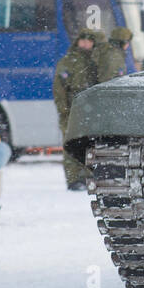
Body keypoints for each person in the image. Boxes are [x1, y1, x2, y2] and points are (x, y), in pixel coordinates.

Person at [52, 29, 98, 190]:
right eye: (83, 40)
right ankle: (73, 179)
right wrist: (64, 109)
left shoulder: (96, 60)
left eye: (89, 41)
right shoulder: (68, 61)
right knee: (70, 144)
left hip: (91, 110)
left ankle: (88, 176)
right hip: (72, 109)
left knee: (89, 144)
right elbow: (59, 88)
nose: (86, 44)